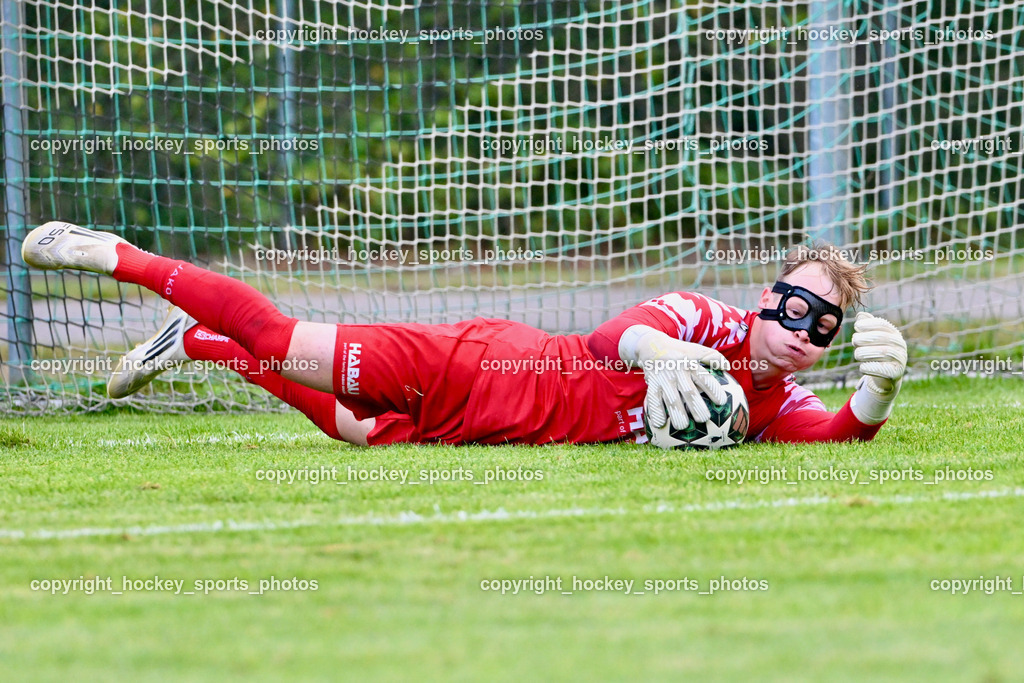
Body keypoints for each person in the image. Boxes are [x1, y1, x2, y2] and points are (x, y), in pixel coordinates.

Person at [21, 221, 907, 447]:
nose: (801, 327)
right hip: (478, 367)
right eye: (794, 303)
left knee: (348, 426)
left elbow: (837, 437)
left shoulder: (777, 399)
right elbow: (617, 334)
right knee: (286, 338)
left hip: (484, 428)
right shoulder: (708, 321)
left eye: (822, 323)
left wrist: (879, 390)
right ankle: (117, 254)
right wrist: (662, 349)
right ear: (767, 295)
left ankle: (198, 343)